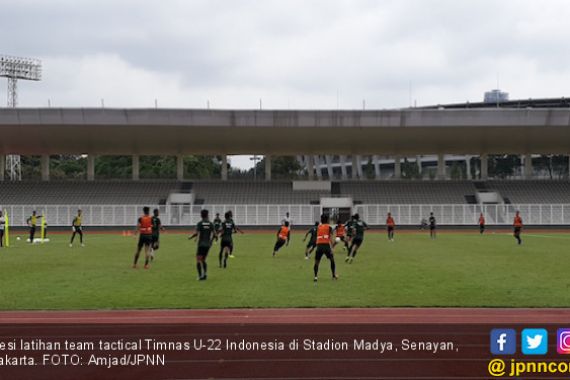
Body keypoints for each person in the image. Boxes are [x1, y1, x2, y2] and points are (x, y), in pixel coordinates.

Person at [189, 209, 215, 280]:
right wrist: (211, 242)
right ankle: (205, 274)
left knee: (198, 260)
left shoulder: (200, 223)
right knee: (203, 260)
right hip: (207, 245)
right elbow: (215, 234)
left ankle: (200, 276)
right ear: (207, 215)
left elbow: (196, 233)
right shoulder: (211, 223)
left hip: (201, 244)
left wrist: (190, 237)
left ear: (201, 215)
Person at [313, 214, 338, 282]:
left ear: (321, 220)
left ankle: (315, 277)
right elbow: (331, 238)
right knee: (332, 260)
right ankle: (333, 276)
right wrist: (333, 246)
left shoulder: (318, 227)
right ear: (327, 220)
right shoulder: (329, 227)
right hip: (326, 246)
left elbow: (316, 237)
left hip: (319, 246)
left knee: (317, 262)